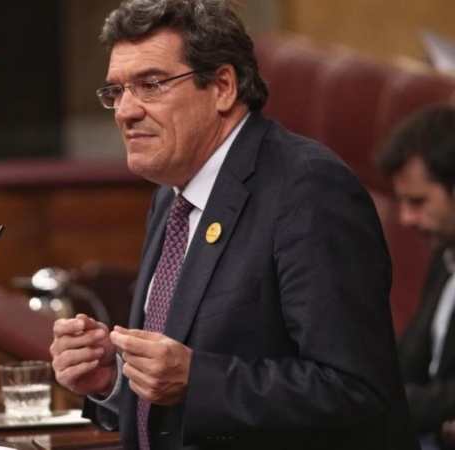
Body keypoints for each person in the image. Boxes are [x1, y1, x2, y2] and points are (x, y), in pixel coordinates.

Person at [48, 0, 418, 449]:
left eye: (150, 84)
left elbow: (355, 390)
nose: (125, 111)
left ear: (222, 86)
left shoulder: (308, 190)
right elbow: (175, 376)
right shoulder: (171, 192)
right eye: (116, 92)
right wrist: (114, 380)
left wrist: (198, 380)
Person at [376, 104, 455, 450]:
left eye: (419, 202)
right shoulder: (445, 250)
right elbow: (413, 352)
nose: (406, 218)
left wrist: (376, 402)